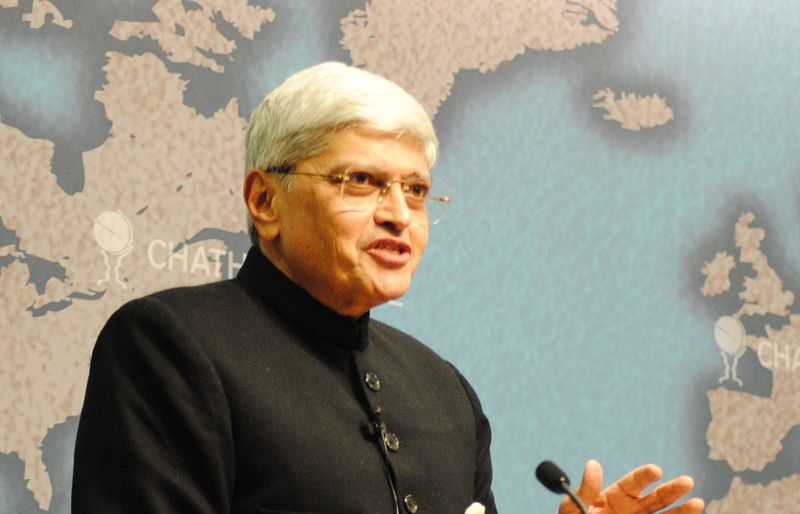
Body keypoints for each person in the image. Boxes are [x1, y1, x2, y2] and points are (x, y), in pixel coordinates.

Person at [72, 62, 704, 514]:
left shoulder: (444, 391)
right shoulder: (171, 346)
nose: (399, 214)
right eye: (362, 181)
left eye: (417, 190)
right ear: (265, 200)